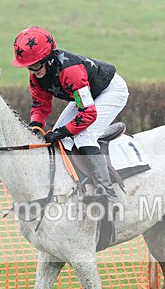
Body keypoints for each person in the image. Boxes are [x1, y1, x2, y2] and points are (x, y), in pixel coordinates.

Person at [12, 26, 128, 203]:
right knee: (61, 141)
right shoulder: (36, 76)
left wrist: (62, 131)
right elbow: (40, 105)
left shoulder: (70, 71)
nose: (33, 71)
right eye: (28, 67)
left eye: (35, 65)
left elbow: (88, 114)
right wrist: (35, 125)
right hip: (86, 94)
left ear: (48, 59)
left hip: (110, 91)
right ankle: (74, 184)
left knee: (83, 136)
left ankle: (108, 195)